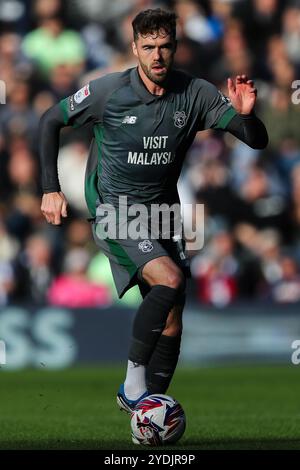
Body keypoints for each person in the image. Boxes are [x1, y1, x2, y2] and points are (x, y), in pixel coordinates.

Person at [39, 9, 268, 414]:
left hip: (163, 212)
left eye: (164, 47)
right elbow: (49, 120)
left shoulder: (194, 93)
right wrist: (50, 189)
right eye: (148, 48)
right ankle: (132, 389)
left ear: (175, 47)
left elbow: (255, 141)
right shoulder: (109, 91)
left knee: (174, 312)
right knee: (170, 278)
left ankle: (152, 404)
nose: (157, 56)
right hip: (114, 208)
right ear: (134, 49)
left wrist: (248, 115)